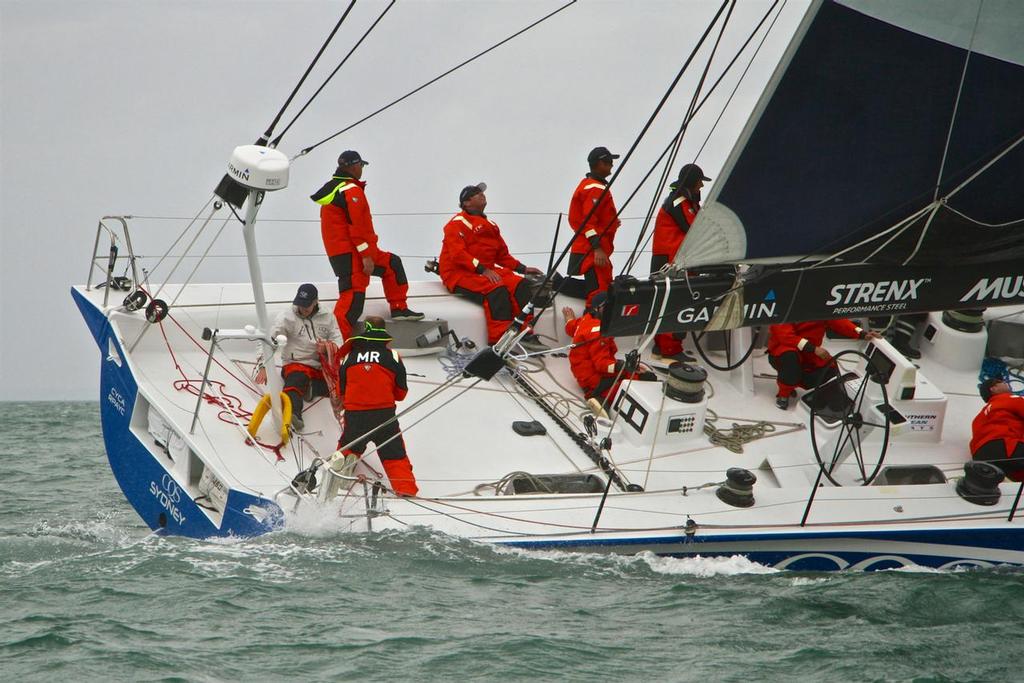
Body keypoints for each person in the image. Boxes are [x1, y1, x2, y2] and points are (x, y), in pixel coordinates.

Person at [311, 150, 422, 338]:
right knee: (352, 302)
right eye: (361, 165)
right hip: (354, 254)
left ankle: (399, 308)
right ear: (353, 166)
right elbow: (358, 228)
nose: (362, 169)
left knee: (392, 264)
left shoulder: (336, 190)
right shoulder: (351, 190)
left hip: (344, 253)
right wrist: (366, 256)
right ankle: (336, 344)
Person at [439, 182, 548, 351]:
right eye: (476, 193)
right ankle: (499, 338)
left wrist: (523, 269)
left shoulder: (491, 225)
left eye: (481, 192)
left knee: (520, 285)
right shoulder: (455, 224)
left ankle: (525, 332)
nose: (482, 194)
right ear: (466, 203)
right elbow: (458, 255)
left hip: (486, 269)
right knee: (495, 288)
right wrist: (483, 270)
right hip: (459, 273)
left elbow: (502, 255)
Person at [336, 317, 418, 496]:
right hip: (384, 415)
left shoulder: (348, 357)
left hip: (355, 415)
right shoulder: (393, 356)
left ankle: (336, 478)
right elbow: (401, 393)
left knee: (349, 445)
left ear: (365, 331)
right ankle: (406, 490)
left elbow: (340, 390)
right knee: (394, 452)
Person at [255, 283, 343, 430]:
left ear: (316, 302)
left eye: (307, 305)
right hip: (296, 364)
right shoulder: (286, 317)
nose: (303, 309)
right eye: (300, 305)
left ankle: (312, 388)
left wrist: (326, 348)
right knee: (294, 383)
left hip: (321, 367)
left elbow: (339, 341)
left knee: (343, 384)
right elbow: (269, 341)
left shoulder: (328, 316)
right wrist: (263, 365)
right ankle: (294, 415)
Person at [650, 163, 711, 363]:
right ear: (692, 181)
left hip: (677, 259)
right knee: (676, 303)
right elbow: (694, 230)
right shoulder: (680, 202)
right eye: (700, 182)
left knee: (671, 301)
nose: (701, 186)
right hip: (672, 261)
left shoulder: (686, 201)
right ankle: (669, 349)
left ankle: (662, 347)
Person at [562, 292, 657, 409]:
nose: (611, 310)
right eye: (607, 307)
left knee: (643, 377)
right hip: (592, 378)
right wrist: (624, 366)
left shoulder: (586, 319)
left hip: (584, 371)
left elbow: (572, 327)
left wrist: (569, 320)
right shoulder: (598, 332)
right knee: (629, 386)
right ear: (597, 309)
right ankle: (599, 398)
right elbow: (601, 364)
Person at [767, 319, 880, 410]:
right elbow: (785, 336)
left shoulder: (820, 307)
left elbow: (839, 322)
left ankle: (823, 397)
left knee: (830, 368)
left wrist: (863, 334)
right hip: (784, 351)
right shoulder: (787, 307)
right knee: (790, 360)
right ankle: (783, 394)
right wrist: (814, 349)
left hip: (809, 353)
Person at [568, 146, 621, 305]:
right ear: (600, 164)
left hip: (594, 250)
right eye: (609, 162)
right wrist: (597, 248)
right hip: (592, 252)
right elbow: (588, 222)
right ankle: (593, 318)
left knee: (603, 289)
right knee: (599, 295)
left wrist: (612, 223)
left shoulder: (589, 185)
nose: (612, 165)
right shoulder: (594, 189)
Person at [970, 378, 1024, 482]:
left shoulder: (979, 417)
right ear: (993, 389)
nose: (1005, 383)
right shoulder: (1010, 398)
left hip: (981, 457)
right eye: (1001, 382)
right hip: (1006, 447)